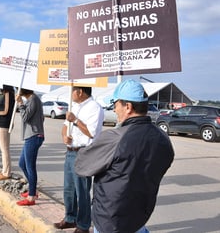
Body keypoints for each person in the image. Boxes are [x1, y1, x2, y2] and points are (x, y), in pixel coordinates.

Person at [74, 79, 175, 233]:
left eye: (115, 105)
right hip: (140, 217)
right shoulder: (163, 138)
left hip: (110, 220)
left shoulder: (115, 138)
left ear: (127, 107)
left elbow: (81, 165)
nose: (114, 110)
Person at [54, 86, 104, 233]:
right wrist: (64, 136)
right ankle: (70, 218)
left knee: (82, 190)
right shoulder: (74, 106)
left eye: (73, 91)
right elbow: (65, 126)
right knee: (69, 189)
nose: (71, 94)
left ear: (80, 92)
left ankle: (83, 225)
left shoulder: (95, 108)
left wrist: (75, 120)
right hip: (70, 151)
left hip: (84, 152)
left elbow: (91, 133)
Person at [15, 88, 45, 206]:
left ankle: (32, 196)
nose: (18, 90)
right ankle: (33, 190)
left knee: (30, 166)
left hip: (34, 136)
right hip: (30, 136)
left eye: (19, 89)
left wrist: (20, 103)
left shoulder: (33, 99)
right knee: (22, 164)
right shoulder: (31, 99)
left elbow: (25, 117)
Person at [0, 85, 15, 180]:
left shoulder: (8, 94)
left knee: (4, 149)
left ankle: (6, 172)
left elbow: (5, 111)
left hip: (4, 124)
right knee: (4, 149)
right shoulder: (8, 94)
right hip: (3, 123)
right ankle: (5, 170)